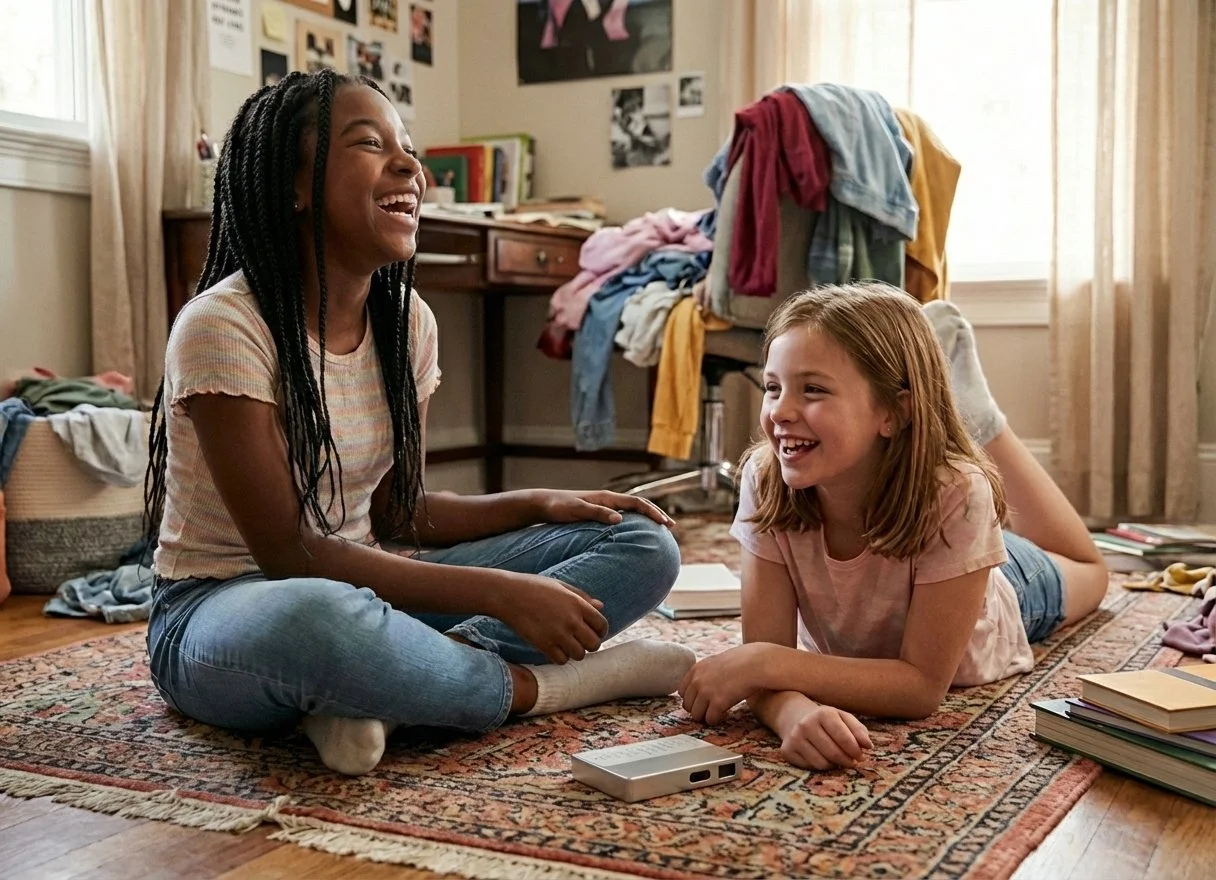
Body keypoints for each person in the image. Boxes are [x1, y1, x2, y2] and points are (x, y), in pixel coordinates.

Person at [144, 69, 692, 777]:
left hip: (367, 587)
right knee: (318, 621)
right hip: (222, 613)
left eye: (407, 145)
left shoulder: (407, 324)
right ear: (295, 186)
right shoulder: (223, 326)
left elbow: (399, 510)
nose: (410, 164)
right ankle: (547, 688)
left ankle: (382, 691)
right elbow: (287, 552)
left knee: (644, 544)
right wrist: (497, 591)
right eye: (370, 143)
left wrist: (538, 503)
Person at [677, 284, 1107, 770]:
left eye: (812, 389)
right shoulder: (766, 475)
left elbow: (919, 687)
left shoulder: (958, 493)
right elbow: (764, 663)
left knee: (1092, 571)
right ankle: (962, 411)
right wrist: (793, 712)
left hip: (1002, 590)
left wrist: (763, 663)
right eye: (773, 387)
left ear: (893, 412)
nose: (779, 411)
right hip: (936, 544)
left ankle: (982, 420)